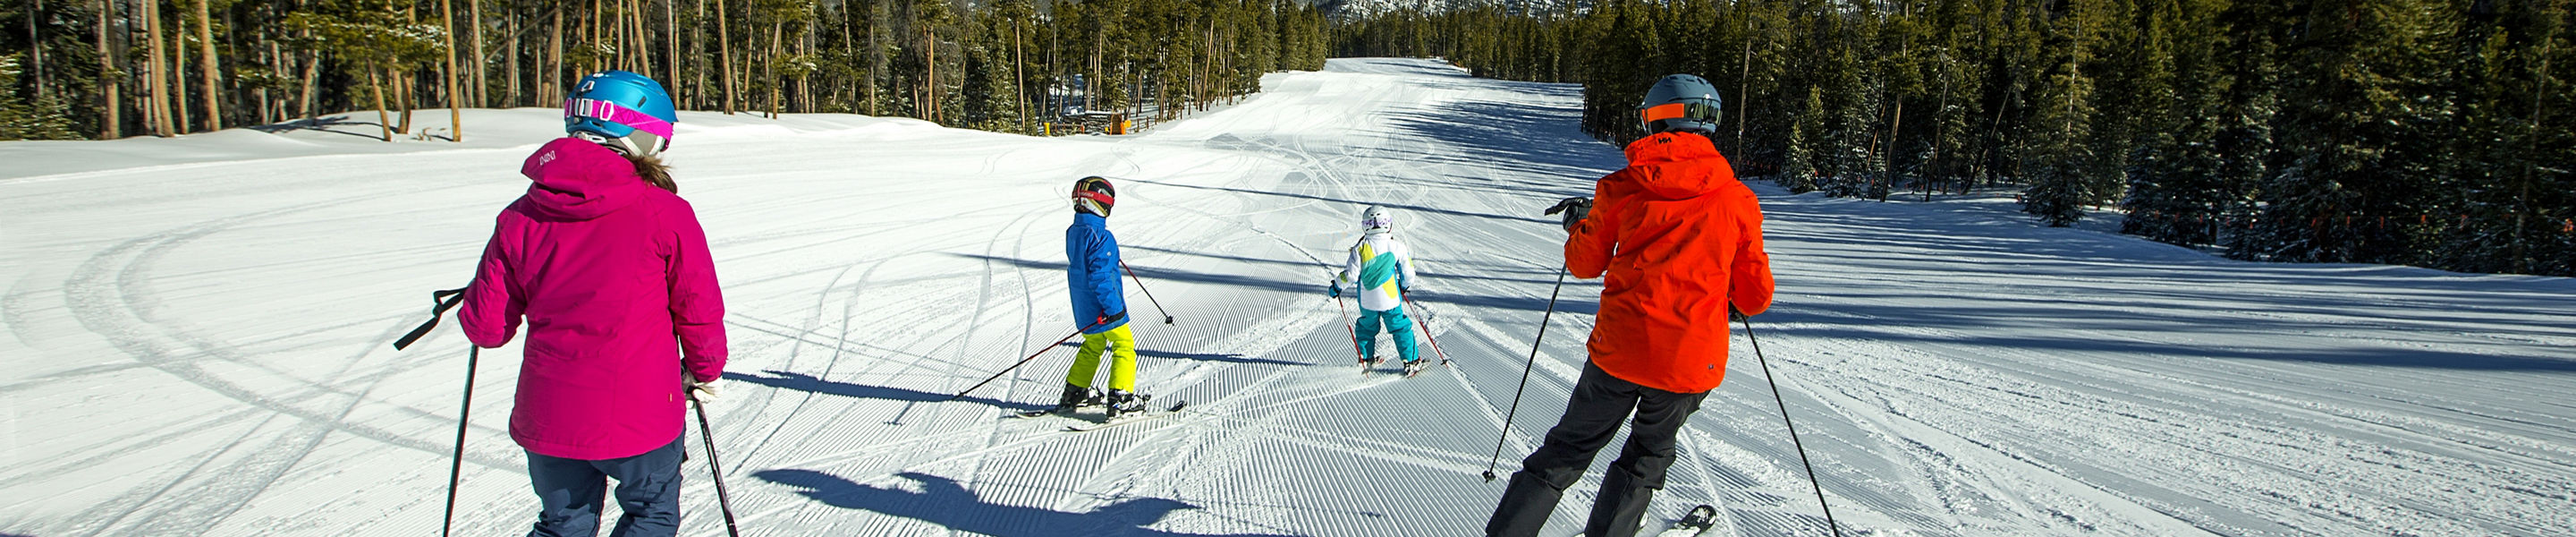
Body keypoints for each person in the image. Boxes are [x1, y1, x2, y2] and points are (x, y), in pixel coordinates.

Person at [1486, 73, 1775, 537]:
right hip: (1687, 362)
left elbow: (1584, 263)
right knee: (1645, 459)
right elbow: (1755, 297)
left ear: (1655, 119)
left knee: (1568, 450)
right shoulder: (1738, 200)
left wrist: (1581, 225)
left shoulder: (1622, 187)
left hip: (1620, 352)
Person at [459, 70, 728, 537]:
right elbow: (697, 305)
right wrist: (704, 370)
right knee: (650, 517)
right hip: (641, 415)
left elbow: (486, 329)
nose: (662, 148)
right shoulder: (664, 211)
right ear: (636, 133)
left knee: (563, 524)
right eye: (659, 137)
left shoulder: (519, 216)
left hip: (550, 418)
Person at [1047, 175, 1148, 417]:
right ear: (1101, 204)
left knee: (1093, 344)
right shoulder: (1102, 238)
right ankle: (1121, 399)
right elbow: (1102, 277)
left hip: (1083, 307)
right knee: (1124, 345)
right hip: (1104, 307)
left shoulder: (1074, 232)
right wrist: (1114, 309)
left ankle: (1076, 392)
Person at [1328, 206, 1428, 376]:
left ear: (1365, 226)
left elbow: (1351, 275)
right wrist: (1403, 286)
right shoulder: (1396, 246)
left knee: (1367, 327)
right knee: (1399, 326)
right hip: (1390, 298)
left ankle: (1366, 358)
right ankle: (1411, 361)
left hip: (1367, 299)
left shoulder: (1360, 248)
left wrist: (1336, 286)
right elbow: (1408, 273)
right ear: (1389, 224)